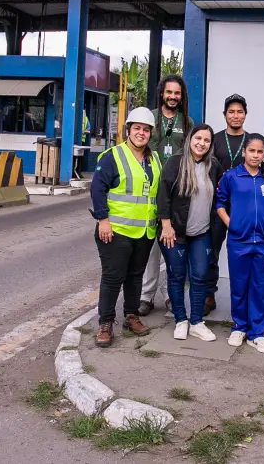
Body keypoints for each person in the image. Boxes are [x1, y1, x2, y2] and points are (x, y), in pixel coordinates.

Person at [89, 107, 162, 348]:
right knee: (112, 277)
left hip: (144, 231)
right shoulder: (113, 156)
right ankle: (106, 323)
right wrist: (103, 220)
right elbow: (97, 189)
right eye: (137, 128)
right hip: (116, 230)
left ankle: (131, 316)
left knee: (135, 276)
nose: (141, 133)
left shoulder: (154, 159)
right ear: (128, 130)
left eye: (146, 129)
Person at [156, 123, 220, 343]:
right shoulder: (175, 163)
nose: (202, 143)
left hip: (202, 232)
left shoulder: (214, 166)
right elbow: (162, 195)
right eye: (198, 138)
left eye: (207, 140)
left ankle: (196, 322)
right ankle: (180, 320)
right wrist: (166, 224)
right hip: (174, 232)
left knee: (200, 276)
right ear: (190, 139)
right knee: (176, 276)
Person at [215, 133, 264, 354]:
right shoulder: (232, 176)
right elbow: (220, 203)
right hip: (238, 241)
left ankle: (257, 334)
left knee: (260, 288)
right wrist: (231, 224)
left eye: (260, 152)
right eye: (252, 151)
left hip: (262, 242)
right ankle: (239, 327)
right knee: (239, 286)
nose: (256, 155)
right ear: (244, 152)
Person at [140, 75, 194, 316]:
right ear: (162, 93)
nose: (173, 97)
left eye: (178, 93)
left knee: (173, 248)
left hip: (176, 193)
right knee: (150, 249)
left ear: (182, 97)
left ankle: (171, 295)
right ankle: (146, 296)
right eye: (169, 92)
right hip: (149, 190)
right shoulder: (149, 118)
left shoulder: (188, 122)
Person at [206, 93, 250, 313]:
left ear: (245, 115)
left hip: (242, 208)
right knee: (211, 251)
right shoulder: (214, 139)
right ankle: (208, 294)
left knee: (244, 253)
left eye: (239, 112)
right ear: (224, 115)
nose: (235, 116)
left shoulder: (251, 142)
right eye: (231, 112)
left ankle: (244, 300)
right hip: (217, 206)